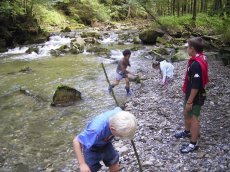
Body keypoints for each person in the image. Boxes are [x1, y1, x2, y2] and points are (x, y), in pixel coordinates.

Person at [73, 107, 137, 172]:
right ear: (112, 129)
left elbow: (118, 108)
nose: (120, 137)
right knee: (89, 169)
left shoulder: (120, 115)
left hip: (105, 142)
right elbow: (76, 141)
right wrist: (82, 164)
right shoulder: (95, 131)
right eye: (119, 136)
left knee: (113, 163)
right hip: (91, 146)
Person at [174, 37, 209, 153]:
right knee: (186, 112)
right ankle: (187, 131)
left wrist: (190, 101)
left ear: (192, 49)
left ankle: (193, 144)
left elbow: (196, 85)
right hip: (190, 93)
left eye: (188, 47)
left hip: (195, 96)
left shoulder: (196, 64)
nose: (187, 50)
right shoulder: (201, 57)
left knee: (194, 119)